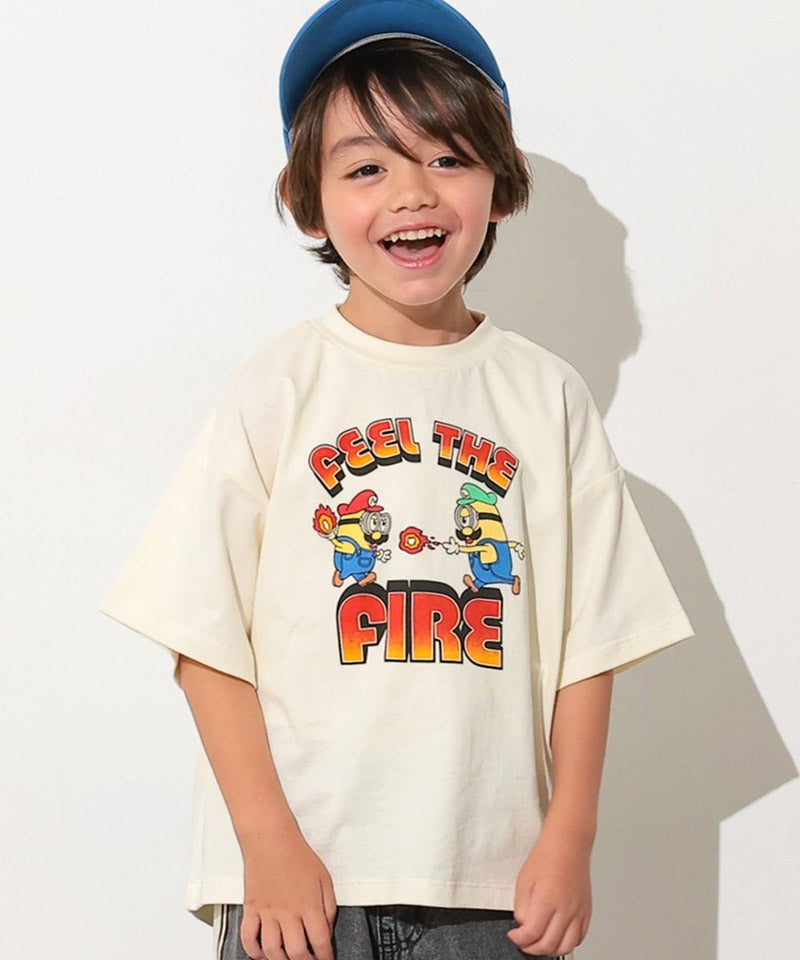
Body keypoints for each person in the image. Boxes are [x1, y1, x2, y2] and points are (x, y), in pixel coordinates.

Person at [101, 1, 694, 958]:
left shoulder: (546, 398)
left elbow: (594, 642)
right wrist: (266, 842)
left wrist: (572, 834)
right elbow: (200, 634)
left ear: (501, 185)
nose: (413, 193)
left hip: (490, 886)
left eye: (448, 158)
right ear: (308, 200)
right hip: (299, 888)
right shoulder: (277, 388)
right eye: (367, 167)